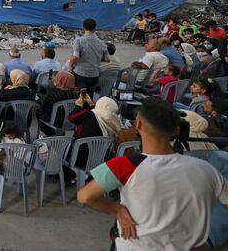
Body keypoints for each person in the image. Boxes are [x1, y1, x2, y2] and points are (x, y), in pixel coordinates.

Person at [79, 97, 228, 250]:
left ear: (137, 125)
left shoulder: (125, 165)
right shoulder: (207, 170)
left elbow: (85, 196)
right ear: (176, 131)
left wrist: (117, 209)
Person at [68, 95, 121, 173]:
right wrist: (90, 103)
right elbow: (98, 113)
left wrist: (78, 106)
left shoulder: (87, 114)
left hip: (78, 160)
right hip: (100, 161)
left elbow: (71, 117)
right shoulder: (114, 121)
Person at [69, 18, 109, 95]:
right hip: (94, 75)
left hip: (81, 74)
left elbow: (75, 56)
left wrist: (70, 66)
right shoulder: (101, 43)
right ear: (95, 28)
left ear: (83, 27)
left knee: (79, 97)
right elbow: (107, 59)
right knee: (89, 96)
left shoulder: (79, 40)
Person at [37, 70, 77, 136]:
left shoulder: (53, 95)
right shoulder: (75, 95)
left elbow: (46, 111)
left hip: (55, 123)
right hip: (71, 122)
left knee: (38, 111)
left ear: (60, 80)